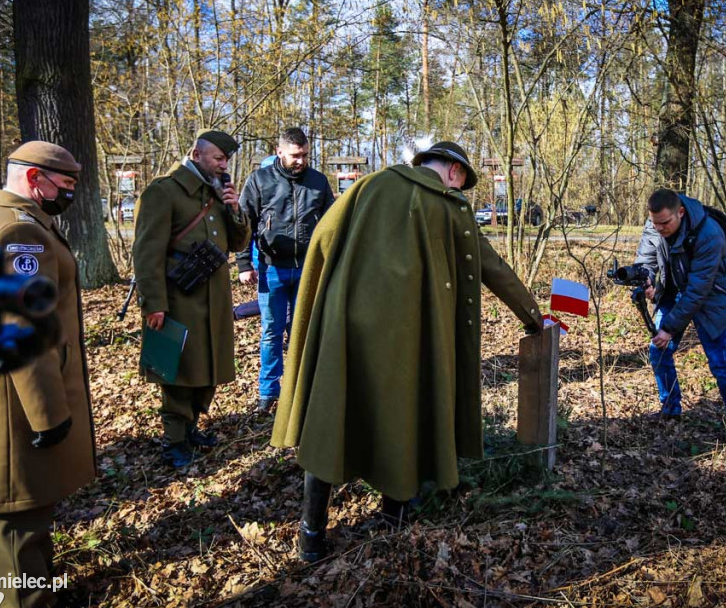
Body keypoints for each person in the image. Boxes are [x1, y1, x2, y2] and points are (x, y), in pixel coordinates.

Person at [270, 140, 544, 562]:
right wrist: (532, 315)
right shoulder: (449, 207)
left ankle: (311, 535)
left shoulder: (369, 185)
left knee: (330, 418)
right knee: (404, 415)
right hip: (410, 333)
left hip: (345, 326)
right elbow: (489, 266)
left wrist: (326, 301)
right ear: (453, 171)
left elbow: (322, 240)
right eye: (463, 181)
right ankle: (395, 514)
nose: (460, 188)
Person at [0, 141, 96, 608]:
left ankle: (32, 594)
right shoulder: (20, 232)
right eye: (66, 185)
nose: (69, 194)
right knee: (18, 516)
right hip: (16, 398)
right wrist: (49, 414)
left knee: (13, 516)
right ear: (35, 179)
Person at [133, 129, 251, 468]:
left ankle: (192, 426)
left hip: (213, 301)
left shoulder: (215, 194)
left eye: (225, 160)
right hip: (178, 300)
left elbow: (238, 243)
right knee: (177, 370)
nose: (222, 165)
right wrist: (153, 303)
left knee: (208, 367)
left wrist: (234, 209)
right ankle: (174, 439)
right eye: (217, 158)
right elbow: (146, 253)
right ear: (196, 154)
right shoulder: (164, 192)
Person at [632, 188, 726, 446]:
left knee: (720, 365)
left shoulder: (709, 234)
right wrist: (648, 280)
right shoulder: (655, 224)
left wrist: (670, 328)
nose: (659, 228)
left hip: (713, 299)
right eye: (655, 223)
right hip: (675, 289)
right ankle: (671, 408)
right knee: (658, 351)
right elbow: (646, 259)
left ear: (681, 213)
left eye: (665, 223)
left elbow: (698, 290)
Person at [237, 127, 334, 413]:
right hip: (271, 269)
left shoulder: (318, 182)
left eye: (304, 155)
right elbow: (245, 224)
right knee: (271, 331)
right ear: (280, 152)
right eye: (295, 155)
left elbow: (331, 223)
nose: (300, 160)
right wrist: (244, 264)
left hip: (308, 268)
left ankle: (301, 388)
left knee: (302, 330)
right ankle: (268, 392)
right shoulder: (260, 180)